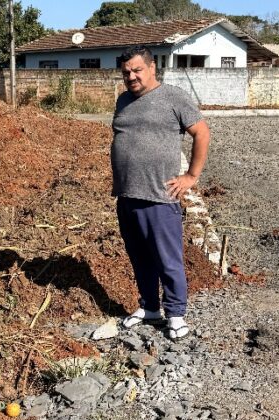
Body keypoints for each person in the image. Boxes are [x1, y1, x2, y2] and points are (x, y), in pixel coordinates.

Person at [112, 46, 210, 340]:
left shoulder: (173, 97)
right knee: (139, 257)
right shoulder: (123, 101)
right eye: (126, 72)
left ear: (152, 68)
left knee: (168, 258)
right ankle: (150, 307)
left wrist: (191, 176)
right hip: (128, 195)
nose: (131, 76)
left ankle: (176, 313)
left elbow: (202, 133)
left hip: (159, 195)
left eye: (137, 70)